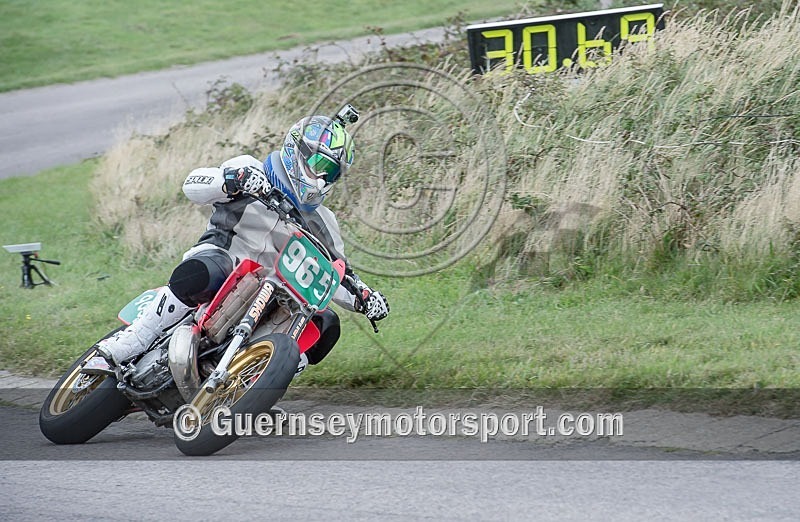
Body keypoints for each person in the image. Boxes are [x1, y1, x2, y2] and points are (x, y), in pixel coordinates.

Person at [94, 110, 389, 374]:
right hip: (224, 257)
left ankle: (258, 385)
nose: (322, 178)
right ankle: (133, 339)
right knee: (205, 272)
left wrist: (364, 298)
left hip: (275, 293)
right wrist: (230, 180)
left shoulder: (325, 221)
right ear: (296, 150)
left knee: (326, 324)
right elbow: (193, 184)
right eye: (318, 163)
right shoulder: (252, 168)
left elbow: (336, 274)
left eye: (331, 172)